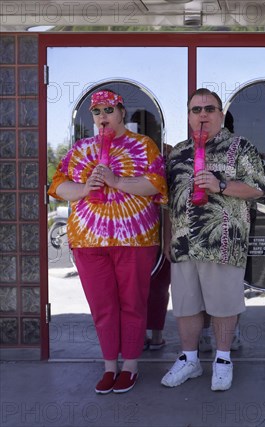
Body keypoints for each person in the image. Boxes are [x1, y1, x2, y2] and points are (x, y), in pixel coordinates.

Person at [48, 89, 167, 394]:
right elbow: (58, 186)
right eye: (97, 112)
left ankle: (130, 366)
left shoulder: (143, 146)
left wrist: (116, 181)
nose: (103, 117)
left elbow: (154, 186)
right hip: (88, 240)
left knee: (132, 303)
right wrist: (86, 188)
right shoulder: (80, 149)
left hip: (135, 238)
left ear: (122, 112)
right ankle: (108, 366)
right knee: (102, 306)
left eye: (109, 110)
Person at [161, 88, 265, 391]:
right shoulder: (178, 152)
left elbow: (257, 188)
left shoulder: (240, 147)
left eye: (209, 108)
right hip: (183, 243)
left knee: (223, 305)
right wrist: (167, 237)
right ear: (189, 115)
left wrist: (220, 184)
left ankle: (222, 360)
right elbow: (169, 201)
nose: (202, 114)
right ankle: (189, 360)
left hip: (223, 241)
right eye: (196, 110)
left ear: (220, 113)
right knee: (185, 305)